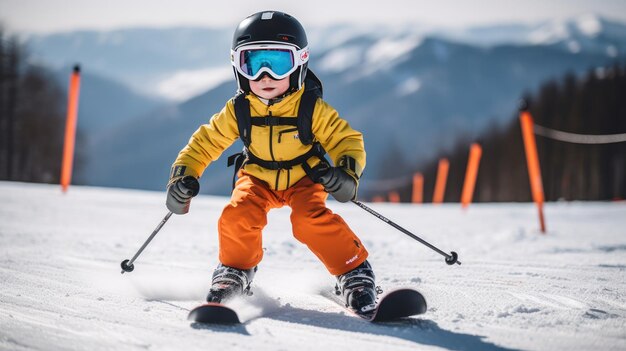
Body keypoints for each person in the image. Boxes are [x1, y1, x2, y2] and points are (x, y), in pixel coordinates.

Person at [165, 10, 377, 314]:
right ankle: (235, 269)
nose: (265, 76)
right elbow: (205, 142)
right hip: (258, 176)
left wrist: (345, 173)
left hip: (304, 176)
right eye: (252, 63)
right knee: (237, 214)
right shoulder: (239, 109)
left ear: (299, 63)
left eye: (278, 63)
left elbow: (346, 140)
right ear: (238, 67)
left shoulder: (310, 108)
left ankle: (354, 270)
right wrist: (182, 177)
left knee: (308, 220)